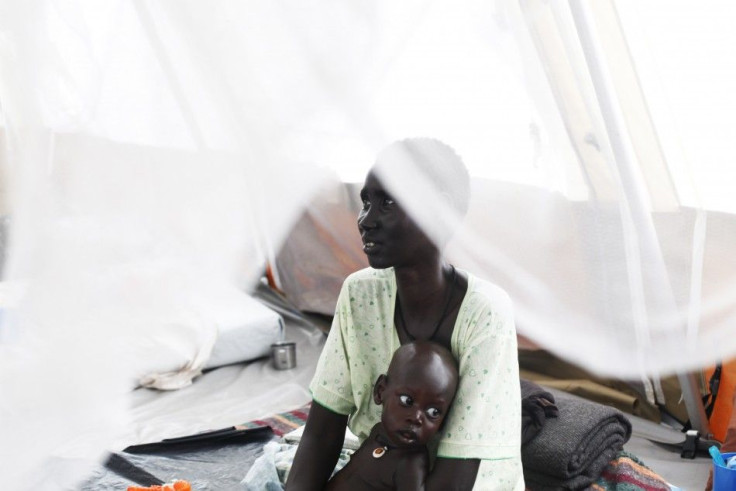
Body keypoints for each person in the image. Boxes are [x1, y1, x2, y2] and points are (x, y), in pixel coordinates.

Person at [286, 138, 523, 490]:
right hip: (380, 472)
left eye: (388, 203)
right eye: (366, 202)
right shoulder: (360, 293)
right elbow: (322, 432)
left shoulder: (485, 313)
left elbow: (456, 480)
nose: (365, 221)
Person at [326, 340, 459, 490]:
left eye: (433, 412)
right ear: (380, 391)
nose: (416, 418)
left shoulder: (410, 463)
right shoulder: (377, 432)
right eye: (407, 401)